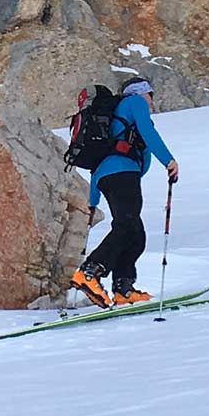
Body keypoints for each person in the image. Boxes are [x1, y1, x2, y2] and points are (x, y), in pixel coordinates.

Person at [69, 76, 179, 307]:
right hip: (122, 174)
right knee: (126, 226)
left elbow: (100, 162)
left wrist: (93, 200)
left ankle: (123, 289)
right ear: (142, 92)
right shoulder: (134, 102)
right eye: (151, 94)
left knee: (135, 234)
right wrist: (168, 161)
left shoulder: (115, 115)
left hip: (110, 177)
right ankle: (90, 272)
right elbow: (148, 133)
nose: (151, 101)